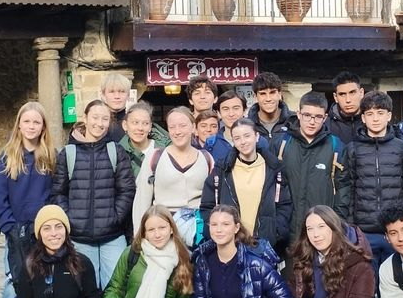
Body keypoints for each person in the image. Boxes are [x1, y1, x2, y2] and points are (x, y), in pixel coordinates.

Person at [54, 100, 135, 289]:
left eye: (105, 119)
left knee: (116, 287)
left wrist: (115, 217)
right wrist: (70, 219)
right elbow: (58, 192)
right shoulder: (68, 153)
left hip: (112, 236)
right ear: (85, 118)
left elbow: (127, 189)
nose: (99, 123)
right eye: (95, 117)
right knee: (83, 289)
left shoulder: (116, 151)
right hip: (79, 237)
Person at [335, 91, 403, 269]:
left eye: (380, 113)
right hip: (362, 231)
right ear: (363, 118)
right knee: (366, 286)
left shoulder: (402, 148)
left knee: (396, 284)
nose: (375, 119)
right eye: (370, 114)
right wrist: (348, 226)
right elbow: (345, 188)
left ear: (389, 116)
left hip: (395, 230)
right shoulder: (353, 149)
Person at [0, 101, 56, 298]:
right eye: (26, 121)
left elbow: (55, 194)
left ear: (43, 126)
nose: (31, 126)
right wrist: (9, 227)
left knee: (45, 282)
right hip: (16, 232)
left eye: (36, 122)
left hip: (43, 233)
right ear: (19, 125)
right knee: (15, 284)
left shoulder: (51, 157)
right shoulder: (7, 157)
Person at [200, 118, 292, 250]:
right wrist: (216, 231)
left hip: (264, 243)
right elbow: (207, 205)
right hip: (230, 244)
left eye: (247, 136)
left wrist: (276, 231)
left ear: (257, 136)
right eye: (237, 138)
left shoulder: (273, 168)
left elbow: (284, 204)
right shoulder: (223, 169)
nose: (243, 142)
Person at [133, 107, 215, 246]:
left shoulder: (206, 158)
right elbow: (142, 200)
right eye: (172, 127)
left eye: (183, 126)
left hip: (198, 229)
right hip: (163, 227)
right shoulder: (155, 157)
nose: (177, 131)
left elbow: (215, 199)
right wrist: (139, 237)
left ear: (193, 127)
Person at [275, 92, 344, 250]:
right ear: (298, 114)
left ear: (325, 118)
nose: (312, 122)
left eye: (318, 117)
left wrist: (337, 223)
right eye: (307, 115)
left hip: (322, 232)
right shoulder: (282, 143)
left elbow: (343, 189)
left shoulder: (335, 146)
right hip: (288, 231)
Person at [118, 101, 170, 177]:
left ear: (150, 126)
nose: (140, 128)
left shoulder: (165, 149)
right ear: (125, 125)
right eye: (135, 122)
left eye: (145, 123)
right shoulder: (118, 153)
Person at [248, 71, 293, 142]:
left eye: (272, 92)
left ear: (279, 94)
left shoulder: (294, 121)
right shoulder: (247, 126)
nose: (268, 99)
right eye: (263, 94)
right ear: (255, 97)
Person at [326, 71, 364, 145]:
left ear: (361, 93)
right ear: (335, 97)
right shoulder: (326, 127)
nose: (348, 100)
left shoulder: (374, 122)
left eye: (352, 92)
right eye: (342, 94)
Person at [100, 73, 132, 144]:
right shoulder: (98, 124)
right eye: (112, 92)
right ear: (103, 95)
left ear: (128, 95)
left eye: (122, 91)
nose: (117, 96)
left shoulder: (134, 124)